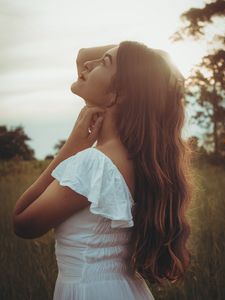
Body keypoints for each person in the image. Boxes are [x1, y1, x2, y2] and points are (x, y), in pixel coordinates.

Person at [12, 41, 193, 300]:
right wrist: (142, 57)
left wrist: (71, 147)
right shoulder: (141, 157)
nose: (87, 64)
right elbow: (83, 56)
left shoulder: (94, 164)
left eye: (104, 63)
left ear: (121, 93)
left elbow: (22, 222)